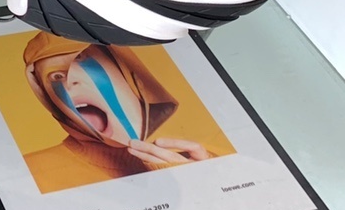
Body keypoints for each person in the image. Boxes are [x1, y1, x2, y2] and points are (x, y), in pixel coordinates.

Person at [23, 32, 212, 192]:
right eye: (55, 76)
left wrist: (212, 179)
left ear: (126, 71)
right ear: (50, 101)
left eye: (80, 58)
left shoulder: (203, 158)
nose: (70, 81)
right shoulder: (33, 173)